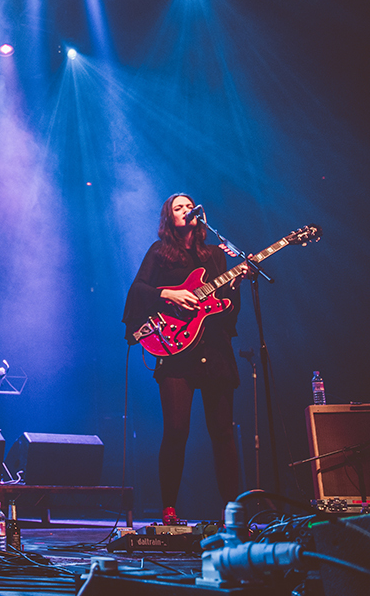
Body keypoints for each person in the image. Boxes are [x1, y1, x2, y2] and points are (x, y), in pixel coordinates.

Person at [123, 193, 248, 524]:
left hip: (213, 349)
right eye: (178, 207)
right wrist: (168, 292)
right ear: (169, 217)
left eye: (188, 206)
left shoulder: (215, 256)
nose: (185, 210)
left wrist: (234, 285)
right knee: (176, 430)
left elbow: (224, 308)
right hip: (176, 351)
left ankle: (231, 511)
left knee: (222, 431)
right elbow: (137, 291)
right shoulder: (159, 252)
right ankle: (168, 509)